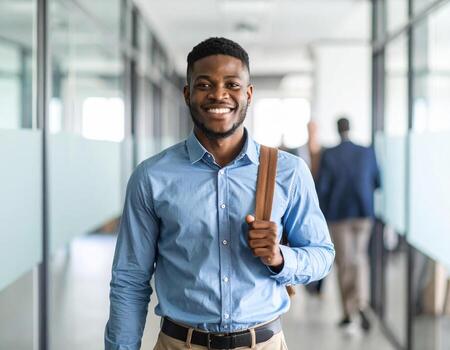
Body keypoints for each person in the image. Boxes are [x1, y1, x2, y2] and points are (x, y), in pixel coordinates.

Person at [105, 37, 335, 350]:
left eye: (232, 84)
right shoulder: (151, 177)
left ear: (249, 94)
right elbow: (130, 280)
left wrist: (280, 258)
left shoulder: (288, 172)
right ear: (187, 94)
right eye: (204, 84)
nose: (218, 94)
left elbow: (321, 255)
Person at [316, 117, 380, 332]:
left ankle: (348, 311)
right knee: (360, 259)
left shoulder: (330, 154)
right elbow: (378, 181)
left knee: (344, 262)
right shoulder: (366, 151)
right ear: (350, 128)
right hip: (364, 213)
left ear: (337, 129)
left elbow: (323, 188)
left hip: (339, 214)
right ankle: (361, 303)